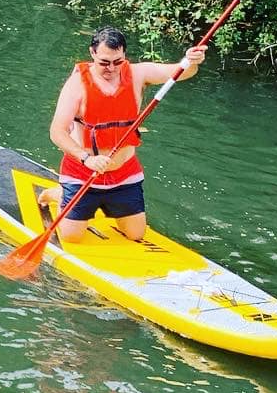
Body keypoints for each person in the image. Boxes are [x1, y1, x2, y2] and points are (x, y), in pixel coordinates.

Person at [43, 26, 208, 242]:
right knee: (71, 237)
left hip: (124, 173)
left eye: (117, 61)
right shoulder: (76, 85)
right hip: (84, 173)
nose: (111, 68)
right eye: (104, 62)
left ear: (124, 55)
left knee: (136, 235)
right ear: (92, 54)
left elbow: (182, 71)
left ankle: (101, 204)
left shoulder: (139, 73)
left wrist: (192, 62)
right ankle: (59, 193)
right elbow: (57, 131)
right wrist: (87, 159)